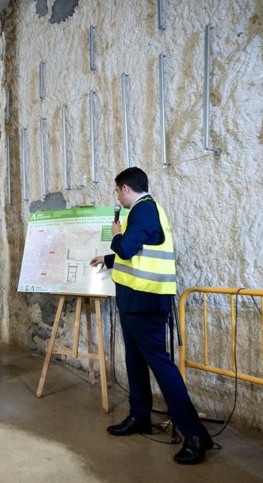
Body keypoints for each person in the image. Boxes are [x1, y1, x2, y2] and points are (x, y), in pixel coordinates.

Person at [89, 167, 213, 465]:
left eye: (117, 191)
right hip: (135, 301)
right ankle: (140, 416)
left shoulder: (143, 210)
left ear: (125, 188)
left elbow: (127, 248)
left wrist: (115, 236)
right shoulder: (143, 211)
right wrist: (107, 259)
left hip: (145, 302)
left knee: (161, 365)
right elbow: (140, 252)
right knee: (134, 361)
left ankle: (195, 434)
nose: (118, 197)